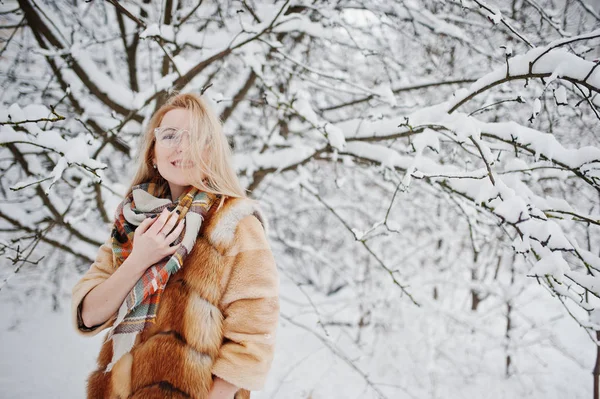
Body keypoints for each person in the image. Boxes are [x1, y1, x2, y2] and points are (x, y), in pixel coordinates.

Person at [71, 92, 280, 399]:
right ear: (153, 153)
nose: (182, 146)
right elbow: (88, 315)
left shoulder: (235, 223)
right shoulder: (131, 222)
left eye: (195, 137)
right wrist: (139, 259)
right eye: (169, 135)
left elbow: (254, 337)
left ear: (212, 152)